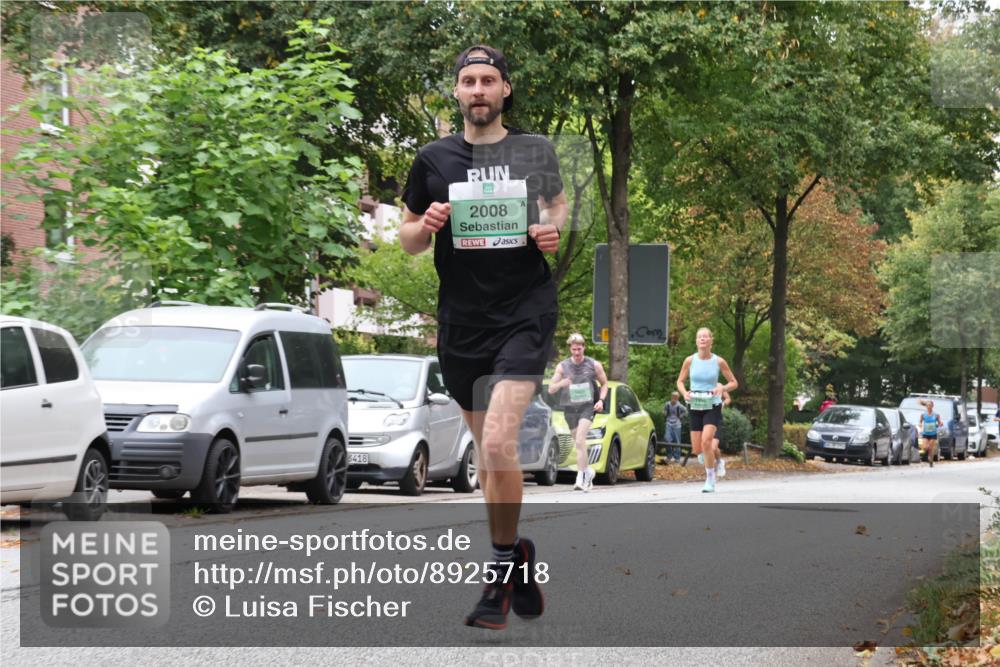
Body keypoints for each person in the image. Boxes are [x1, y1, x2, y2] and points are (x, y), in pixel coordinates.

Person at [400, 44, 567, 631]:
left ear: (505, 90)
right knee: (489, 456)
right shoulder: (433, 157)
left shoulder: (535, 150)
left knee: (499, 442)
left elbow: (557, 208)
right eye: (468, 81)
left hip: (524, 310)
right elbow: (409, 238)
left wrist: (549, 231)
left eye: (488, 80)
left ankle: (497, 573)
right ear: (457, 91)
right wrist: (426, 226)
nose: (478, 90)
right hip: (463, 322)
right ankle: (515, 553)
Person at [675, 328, 738, 493]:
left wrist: (722, 386)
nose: (702, 339)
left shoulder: (719, 361)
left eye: (705, 336)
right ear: (696, 341)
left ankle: (710, 479)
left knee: (706, 442)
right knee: (697, 450)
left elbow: (733, 382)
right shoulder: (689, 360)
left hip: (713, 405)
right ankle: (711, 460)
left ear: (711, 340)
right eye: (699, 337)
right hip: (695, 404)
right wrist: (684, 393)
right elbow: (680, 382)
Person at [548, 333, 609, 491]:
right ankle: (588, 471)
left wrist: (601, 400)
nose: (576, 352)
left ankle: (581, 477)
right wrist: (562, 382)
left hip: (587, 406)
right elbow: (551, 388)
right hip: (569, 408)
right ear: (570, 348)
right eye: (574, 349)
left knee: (581, 440)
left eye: (579, 349)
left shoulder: (594, 365)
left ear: (584, 347)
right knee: (578, 443)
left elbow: (604, 384)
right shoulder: (563, 366)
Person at [709, 389, 732, 478]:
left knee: (713, 447)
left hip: (716, 419)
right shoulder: (701, 385)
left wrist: (723, 404)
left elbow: (728, 398)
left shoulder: (719, 386)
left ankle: (719, 462)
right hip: (703, 418)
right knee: (706, 446)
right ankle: (710, 474)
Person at [917, 399, 943, 467]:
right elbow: (920, 421)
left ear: (932, 406)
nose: (929, 406)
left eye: (930, 405)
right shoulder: (923, 414)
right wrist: (920, 424)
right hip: (925, 433)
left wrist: (940, 424)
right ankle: (929, 456)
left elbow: (940, 422)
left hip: (933, 433)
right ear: (926, 406)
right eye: (928, 405)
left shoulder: (936, 415)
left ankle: (930, 460)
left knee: (930, 448)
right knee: (925, 447)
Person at [663, 392, 688, 463]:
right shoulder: (667, 404)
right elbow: (664, 410)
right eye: (673, 397)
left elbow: (685, 411)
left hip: (677, 424)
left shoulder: (679, 406)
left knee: (677, 441)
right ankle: (669, 456)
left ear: (677, 398)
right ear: (671, 397)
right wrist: (664, 412)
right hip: (668, 423)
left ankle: (677, 458)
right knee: (667, 439)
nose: (674, 398)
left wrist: (681, 416)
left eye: (676, 397)